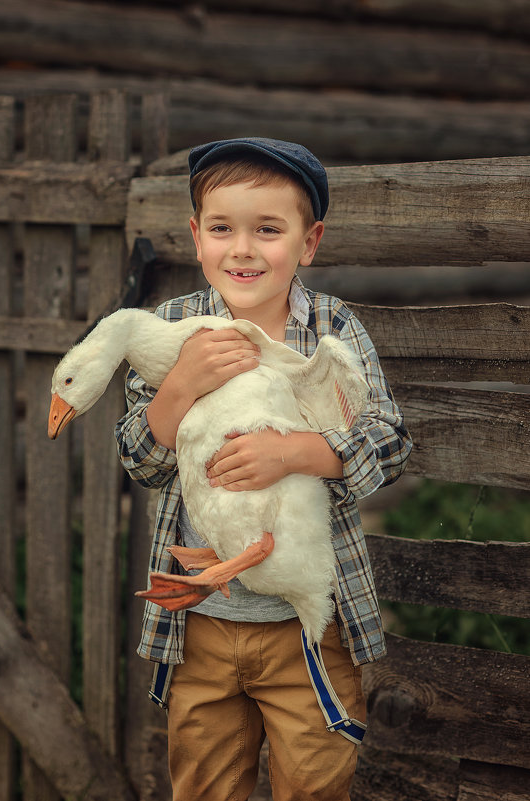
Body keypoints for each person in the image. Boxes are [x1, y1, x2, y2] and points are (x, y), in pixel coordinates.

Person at [115, 137, 412, 801]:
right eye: (222, 228)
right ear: (196, 237)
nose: (242, 249)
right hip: (203, 624)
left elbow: (389, 442)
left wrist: (297, 452)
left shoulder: (334, 326)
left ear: (309, 242)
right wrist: (178, 388)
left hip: (306, 630)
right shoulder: (172, 328)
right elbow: (139, 456)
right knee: (204, 785)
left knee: (313, 782)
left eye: (268, 230)